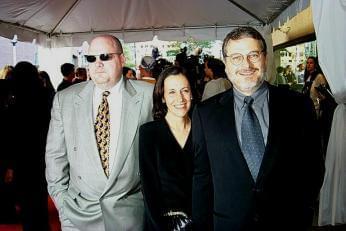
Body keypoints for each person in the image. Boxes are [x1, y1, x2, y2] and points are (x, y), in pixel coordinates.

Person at [191, 26, 324, 230]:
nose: (246, 64)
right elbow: (202, 178)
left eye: (253, 55)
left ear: (265, 58)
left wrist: (301, 214)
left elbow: (313, 168)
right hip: (229, 225)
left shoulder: (298, 106)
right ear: (226, 64)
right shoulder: (205, 114)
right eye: (236, 57)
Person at [45, 35, 154, 231]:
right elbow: (55, 157)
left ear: (122, 60)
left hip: (131, 216)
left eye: (105, 56)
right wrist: (63, 205)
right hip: (78, 216)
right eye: (91, 58)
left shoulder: (149, 95)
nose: (98, 64)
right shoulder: (65, 99)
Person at [139, 66, 193, 230]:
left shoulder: (204, 129)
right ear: (162, 97)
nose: (180, 98)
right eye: (172, 92)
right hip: (164, 224)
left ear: (191, 93)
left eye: (185, 90)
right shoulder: (149, 133)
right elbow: (149, 189)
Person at [7, 62, 51, 230]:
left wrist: (10, 165)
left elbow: (11, 134)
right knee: (39, 199)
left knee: (26, 203)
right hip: (42, 154)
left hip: (21, 158)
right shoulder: (45, 95)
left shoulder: (14, 99)